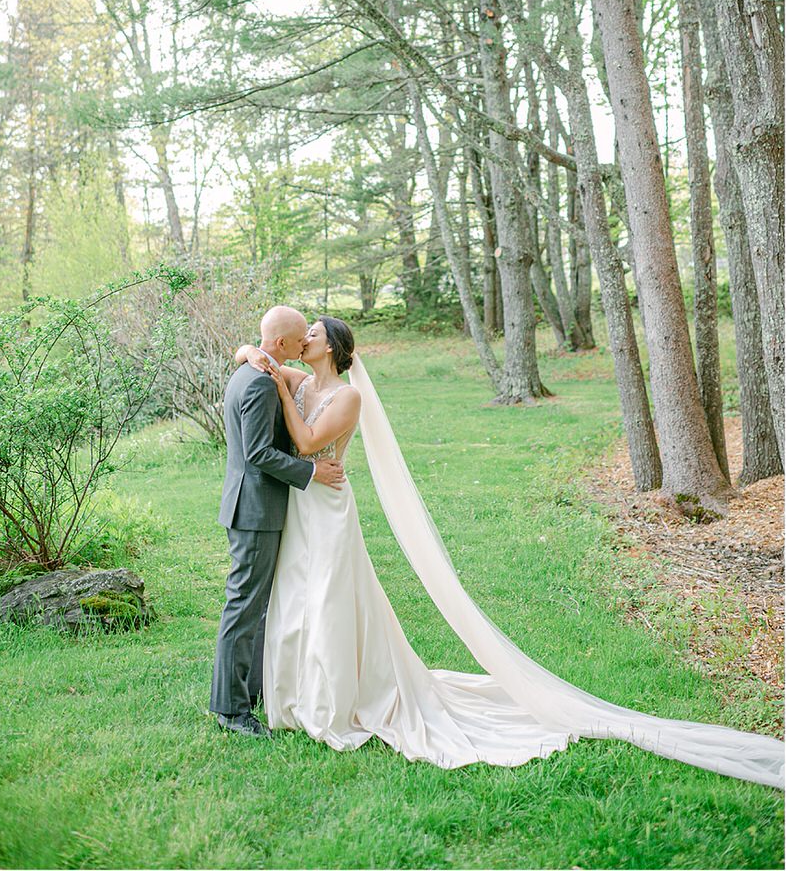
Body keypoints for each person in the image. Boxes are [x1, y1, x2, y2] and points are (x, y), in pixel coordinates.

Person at [232, 316, 784, 788]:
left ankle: (334, 698)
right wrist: (250, 355)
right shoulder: (301, 381)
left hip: (327, 504)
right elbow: (257, 356)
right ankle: (295, 690)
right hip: (302, 503)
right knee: (297, 594)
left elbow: (308, 443)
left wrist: (278, 383)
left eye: (312, 332)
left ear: (331, 346)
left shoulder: (346, 395)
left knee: (330, 595)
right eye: (301, 333)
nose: (304, 337)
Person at [209, 306, 346, 738]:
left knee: (257, 605)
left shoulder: (259, 370)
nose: (305, 342)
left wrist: (248, 350)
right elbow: (258, 454)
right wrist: (311, 471)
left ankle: (252, 690)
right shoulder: (260, 382)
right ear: (282, 343)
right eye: (301, 337)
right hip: (254, 509)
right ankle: (231, 710)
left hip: (255, 507)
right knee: (244, 606)